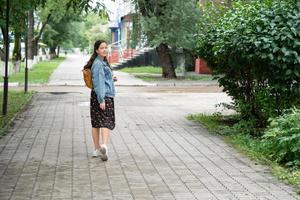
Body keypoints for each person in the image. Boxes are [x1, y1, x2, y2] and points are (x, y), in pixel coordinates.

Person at [83, 40, 117, 161]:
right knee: (105, 122)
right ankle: (104, 146)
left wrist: (112, 78)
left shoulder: (102, 62)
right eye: (102, 48)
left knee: (96, 122)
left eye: (106, 47)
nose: (104, 50)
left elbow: (103, 79)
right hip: (103, 96)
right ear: (96, 50)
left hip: (98, 95)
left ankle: (97, 149)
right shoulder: (98, 63)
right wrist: (101, 99)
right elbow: (98, 83)